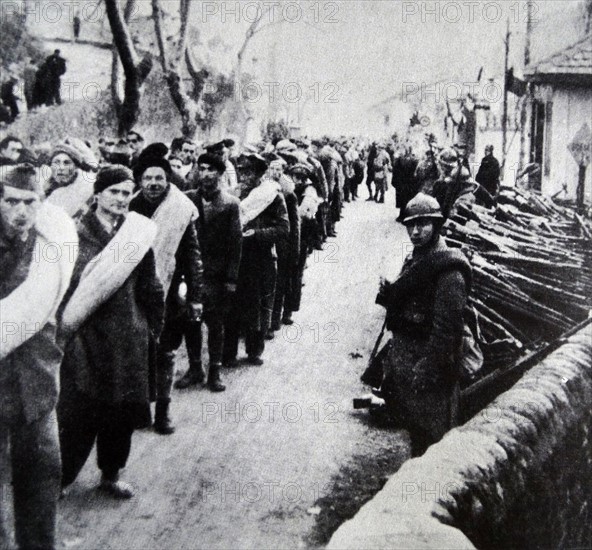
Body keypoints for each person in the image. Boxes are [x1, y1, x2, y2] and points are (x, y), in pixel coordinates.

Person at [58, 165, 164, 499]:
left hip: (126, 339)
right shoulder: (74, 233)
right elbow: (60, 286)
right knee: (77, 413)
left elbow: (151, 285)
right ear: (98, 194)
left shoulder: (136, 234)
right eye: (113, 191)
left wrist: (153, 328)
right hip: (84, 338)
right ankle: (61, 478)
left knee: (120, 411)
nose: (120, 198)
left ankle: (111, 473)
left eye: (125, 192)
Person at [0, 164, 78, 549]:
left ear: (41, 203)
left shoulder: (52, 244)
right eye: (11, 201)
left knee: (43, 471)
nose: (20, 211)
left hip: (36, 379)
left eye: (29, 202)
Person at [363, 193, 472, 455]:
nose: (415, 231)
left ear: (436, 225)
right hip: (409, 361)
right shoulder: (418, 258)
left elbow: (446, 330)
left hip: (430, 366)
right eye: (411, 225)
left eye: (423, 224)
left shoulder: (448, 270)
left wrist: (428, 368)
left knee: (434, 438)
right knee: (415, 430)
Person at [129, 144, 203, 434]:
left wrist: (195, 296)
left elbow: (192, 255)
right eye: (148, 178)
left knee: (165, 352)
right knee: (136, 351)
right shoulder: (130, 206)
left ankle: (163, 412)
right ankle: (138, 409)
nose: (153, 183)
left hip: (169, 291)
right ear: (140, 180)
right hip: (133, 291)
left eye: (159, 178)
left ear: (168, 179)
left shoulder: (181, 209)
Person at [178, 153, 243, 390]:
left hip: (217, 276)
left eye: (211, 170)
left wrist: (231, 279)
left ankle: (215, 371)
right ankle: (196, 368)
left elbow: (236, 244)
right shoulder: (187, 200)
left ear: (221, 173)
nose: (205, 174)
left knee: (215, 324)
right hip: (190, 273)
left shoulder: (230, 204)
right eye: (202, 169)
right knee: (190, 322)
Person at [223, 153, 289, 366]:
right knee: (231, 306)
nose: (245, 176)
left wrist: (259, 234)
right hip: (234, 257)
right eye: (242, 171)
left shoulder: (271, 195)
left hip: (259, 258)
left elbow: (283, 228)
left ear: (260, 174)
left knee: (257, 306)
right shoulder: (234, 194)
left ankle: (254, 351)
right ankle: (228, 353)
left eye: (250, 172)